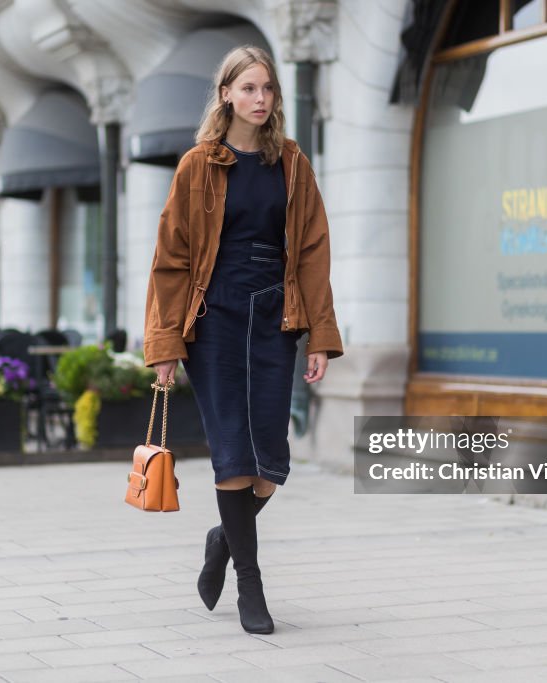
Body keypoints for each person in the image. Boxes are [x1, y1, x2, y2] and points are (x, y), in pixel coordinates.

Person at [144, 45, 343, 635]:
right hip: (215, 323)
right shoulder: (197, 165)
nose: (261, 99)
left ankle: (223, 539)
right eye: (249, 88)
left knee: (270, 468)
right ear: (226, 93)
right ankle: (250, 590)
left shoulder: (292, 164)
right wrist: (165, 346)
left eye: (268, 90)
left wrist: (320, 338)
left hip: (274, 321)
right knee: (232, 454)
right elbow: (171, 261)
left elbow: (312, 252)